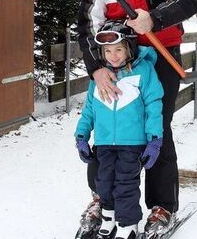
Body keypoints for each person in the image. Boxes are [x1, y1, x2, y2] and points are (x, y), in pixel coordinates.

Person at [76, 0, 197, 233]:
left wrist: (155, 19)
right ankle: (102, 196)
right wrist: (95, 68)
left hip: (160, 54)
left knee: (155, 123)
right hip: (115, 58)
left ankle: (161, 205)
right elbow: (87, 22)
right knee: (107, 122)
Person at [75, 20, 164, 239]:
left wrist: (154, 139)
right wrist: (81, 136)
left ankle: (128, 224)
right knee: (103, 182)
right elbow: (89, 109)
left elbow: (154, 104)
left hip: (131, 143)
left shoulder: (143, 71)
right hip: (104, 142)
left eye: (118, 49)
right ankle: (109, 217)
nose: (113, 55)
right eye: (107, 51)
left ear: (129, 48)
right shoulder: (99, 78)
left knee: (125, 184)